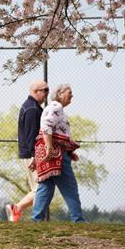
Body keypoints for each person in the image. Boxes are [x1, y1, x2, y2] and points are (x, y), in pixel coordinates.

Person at [31, 83, 84, 222]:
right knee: (70, 187)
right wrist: (49, 148)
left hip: (52, 152)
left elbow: (53, 130)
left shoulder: (53, 108)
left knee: (46, 186)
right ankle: (78, 219)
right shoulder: (56, 107)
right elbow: (47, 126)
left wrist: (69, 150)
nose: (72, 95)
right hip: (56, 154)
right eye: (69, 92)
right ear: (60, 94)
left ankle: (36, 219)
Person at [5, 79, 48, 222]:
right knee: (40, 189)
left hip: (32, 154)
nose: (47, 94)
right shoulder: (31, 109)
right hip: (32, 155)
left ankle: (17, 209)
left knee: (40, 188)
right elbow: (31, 136)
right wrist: (35, 157)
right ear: (36, 91)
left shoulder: (33, 107)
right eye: (45, 90)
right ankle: (34, 219)